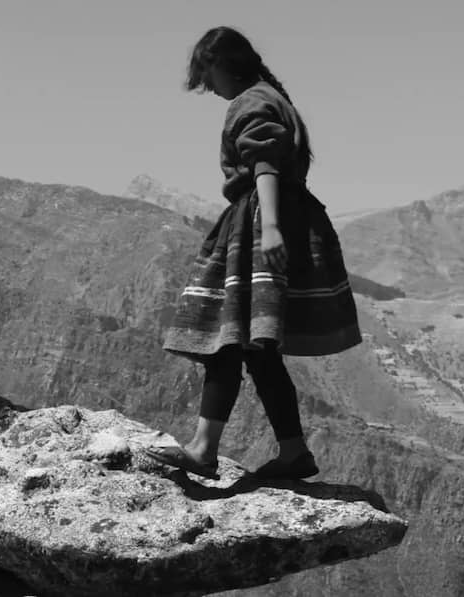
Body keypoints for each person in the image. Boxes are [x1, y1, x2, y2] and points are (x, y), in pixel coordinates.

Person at [147, 27, 362, 480]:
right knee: (255, 347)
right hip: (279, 213)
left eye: (208, 75)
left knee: (226, 337)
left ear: (224, 65)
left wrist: (272, 229)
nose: (209, 87)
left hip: (260, 220)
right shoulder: (274, 97)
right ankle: (292, 450)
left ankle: (205, 448)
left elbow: (265, 161)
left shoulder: (249, 102)